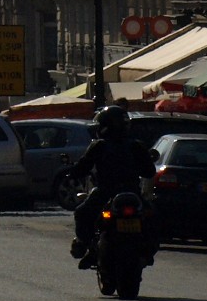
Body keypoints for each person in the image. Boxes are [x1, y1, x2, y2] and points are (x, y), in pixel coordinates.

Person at [66, 105, 155, 266]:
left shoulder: (100, 146)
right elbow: (149, 171)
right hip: (132, 192)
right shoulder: (136, 145)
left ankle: (85, 244)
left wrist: (73, 173)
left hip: (106, 191)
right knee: (151, 215)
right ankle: (147, 250)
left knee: (82, 212)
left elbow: (82, 167)